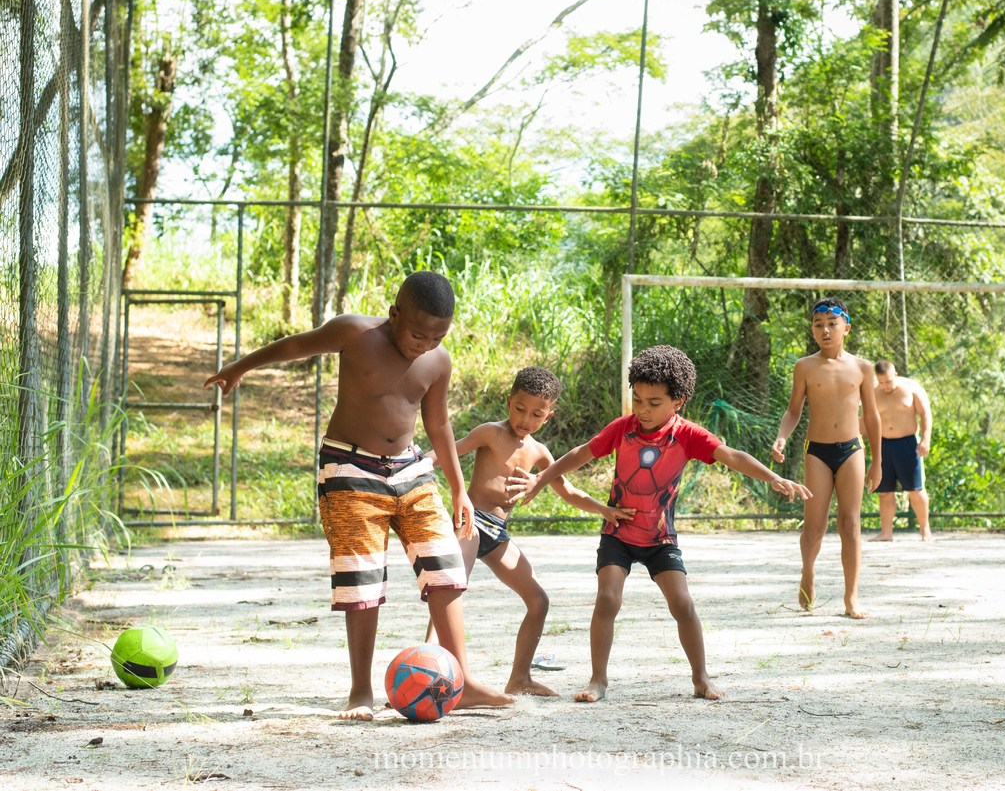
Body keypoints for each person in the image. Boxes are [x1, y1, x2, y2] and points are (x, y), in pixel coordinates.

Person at [203, 271, 512, 720]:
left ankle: (459, 679)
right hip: (349, 468)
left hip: (411, 468)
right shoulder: (356, 332)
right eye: (417, 334)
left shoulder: (438, 360)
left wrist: (460, 488)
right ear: (394, 314)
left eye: (436, 337)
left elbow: (439, 424)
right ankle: (360, 691)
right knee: (361, 577)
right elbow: (295, 345)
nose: (424, 344)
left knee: (444, 565)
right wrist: (241, 366)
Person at [522, 345, 810, 703]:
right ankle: (598, 680)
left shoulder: (689, 435)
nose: (642, 409)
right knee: (607, 599)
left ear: (679, 401)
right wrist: (542, 478)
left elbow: (731, 455)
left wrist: (772, 478)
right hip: (619, 532)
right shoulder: (622, 428)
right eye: (638, 399)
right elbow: (580, 452)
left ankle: (701, 678)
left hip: (661, 538)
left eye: (654, 402)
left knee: (682, 603)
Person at [425, 366, 634, 697]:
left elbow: (568, 492)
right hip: (472, 522)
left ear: (549, 416)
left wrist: (604, 510)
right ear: (508, 402)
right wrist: (417, 464)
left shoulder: (539, 452)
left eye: (537, 413)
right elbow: (449, 450)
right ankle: (429, 669)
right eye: (520, 408)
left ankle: (519, 678)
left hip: (498, 533)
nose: (525, 419)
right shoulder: (490, 432)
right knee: (449, 589)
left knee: (538, 600)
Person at [772, 297, 881, 619]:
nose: (825, 330)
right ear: (813, 330)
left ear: (846, 327)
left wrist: (878, 461)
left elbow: (872, 417)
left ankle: (851, 598)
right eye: (819, 325)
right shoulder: (805, 366)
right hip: (816, 451)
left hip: (852, 450)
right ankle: (808, 572)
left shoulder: (862, 368)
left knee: (850, 524)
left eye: (832, 324)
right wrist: (782, 436)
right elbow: (794, 411)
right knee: (815, 526)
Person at [868, 360, 933, 542]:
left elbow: (925, 413)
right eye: (881, 382)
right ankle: (886, 533)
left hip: (907, 444)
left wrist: (925, 439)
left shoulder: (911, 388)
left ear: (895, 375)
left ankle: (925, 531)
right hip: (883, 445)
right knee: (884, 491)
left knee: (916, 490)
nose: (885, 386)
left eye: (888, 381)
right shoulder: (873, 392)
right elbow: (865, 419)